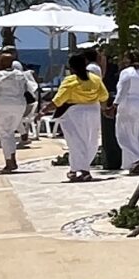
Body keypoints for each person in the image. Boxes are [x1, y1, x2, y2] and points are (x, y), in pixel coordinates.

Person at [52, 51, 108, 183]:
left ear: (70, 67)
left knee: (76, 142)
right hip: (93, 109)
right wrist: (105, 109)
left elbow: (58, 100)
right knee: (91, 141)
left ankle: (83, 170)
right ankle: (75, 169)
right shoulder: (95, 79)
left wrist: (43, 111)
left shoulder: (70, 80)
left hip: (74, 112)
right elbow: (104, 96)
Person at [0, 48, 36, 172]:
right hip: (19, 105)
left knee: (5, 134)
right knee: (10, 132)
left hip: (3, 105)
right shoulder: (20, 74)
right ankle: (11, 159)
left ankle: (10, 162)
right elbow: (29, 88)